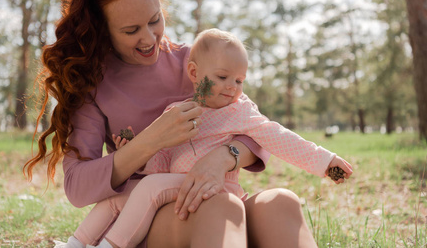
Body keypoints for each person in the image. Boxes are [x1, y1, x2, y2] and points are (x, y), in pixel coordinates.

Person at [21, 0, 340, 248]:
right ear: (105, 32)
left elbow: (258, 130)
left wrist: (222, 158)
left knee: (281, 201)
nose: (149, 38)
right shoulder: (93, 88)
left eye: (154, 20)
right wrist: (149, 142)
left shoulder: (196, 62)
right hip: (151, 215)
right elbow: (78, 187)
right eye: (131, 30)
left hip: (220, 193)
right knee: (220, 207)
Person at [56, 29, 353, 248]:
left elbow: (277, 136)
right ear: (195, 73)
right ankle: (77, 243)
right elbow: (163, 161)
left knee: (283, 199)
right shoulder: (178, 111)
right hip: (177, 195)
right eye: (223, 78)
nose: (232, 87)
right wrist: (138, 152)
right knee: (118, 198)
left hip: (219, 192)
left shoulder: (240, 110)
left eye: (239, 81)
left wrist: (326, 162)